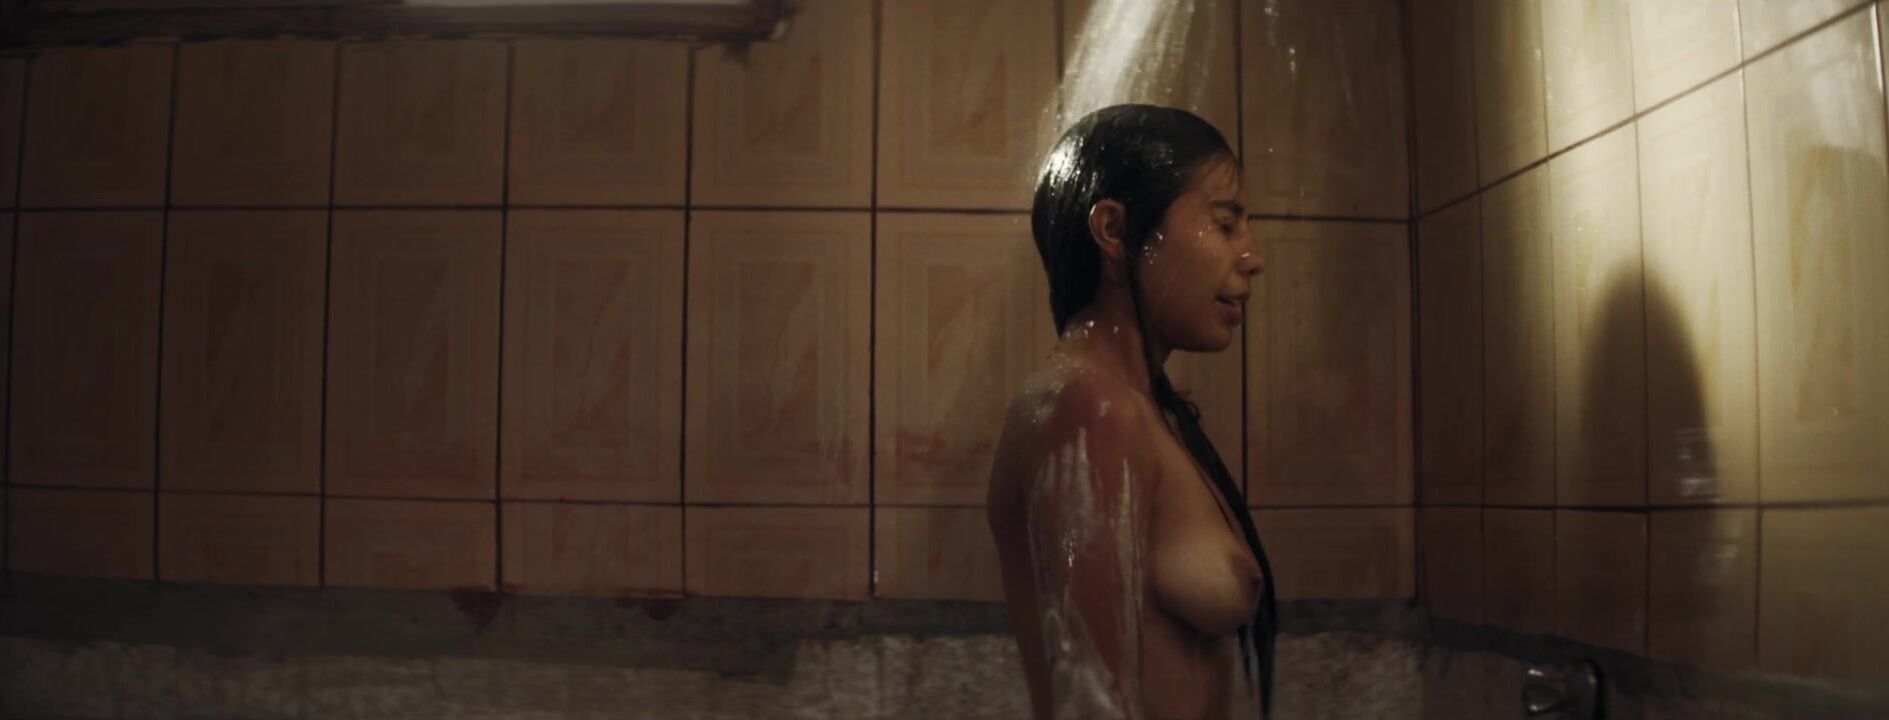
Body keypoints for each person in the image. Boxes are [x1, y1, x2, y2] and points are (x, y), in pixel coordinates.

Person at [987, 104, 1277, 720]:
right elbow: (1090, 702)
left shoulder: (1144, 411)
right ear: (1114, 230)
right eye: (1225, 224)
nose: (1253, 256)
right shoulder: (1089, 410)